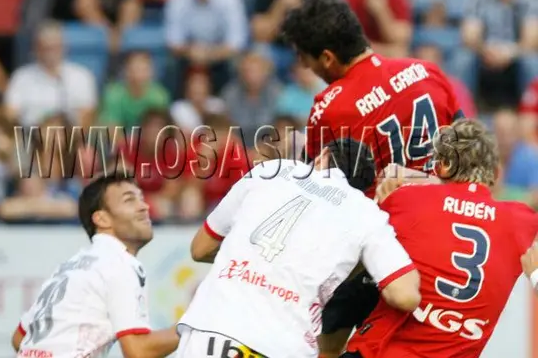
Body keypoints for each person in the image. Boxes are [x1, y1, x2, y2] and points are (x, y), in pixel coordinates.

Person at [280, 0, 464, 357]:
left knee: (324, 342)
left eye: (306, 59)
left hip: (377, 246)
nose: (306, 68)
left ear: (328, 58)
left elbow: (316, 189)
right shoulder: (427, 71)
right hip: (444, 239)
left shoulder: (328, 109)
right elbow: (468, 157)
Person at [175, 138, 421, 358]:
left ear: (322, 155)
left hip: (212, 328)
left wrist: (258, 262)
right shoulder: (366, 213)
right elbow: (405, 295)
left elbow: (200, 248)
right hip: (284, 347)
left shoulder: (271, 169)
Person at [344, 118, 538, 357]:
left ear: (442, 166)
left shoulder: (407, 200)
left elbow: (349, 245)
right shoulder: (521, 222)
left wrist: (415, 178)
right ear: (496, 173)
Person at [10, 173, 179, 358]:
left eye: (141, 199)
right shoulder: (120, 263)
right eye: (129, 200)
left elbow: (20, 339)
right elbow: (138, 351)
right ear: (101, 219)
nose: (144, 207)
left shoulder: (70, 266)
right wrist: (193, 326)